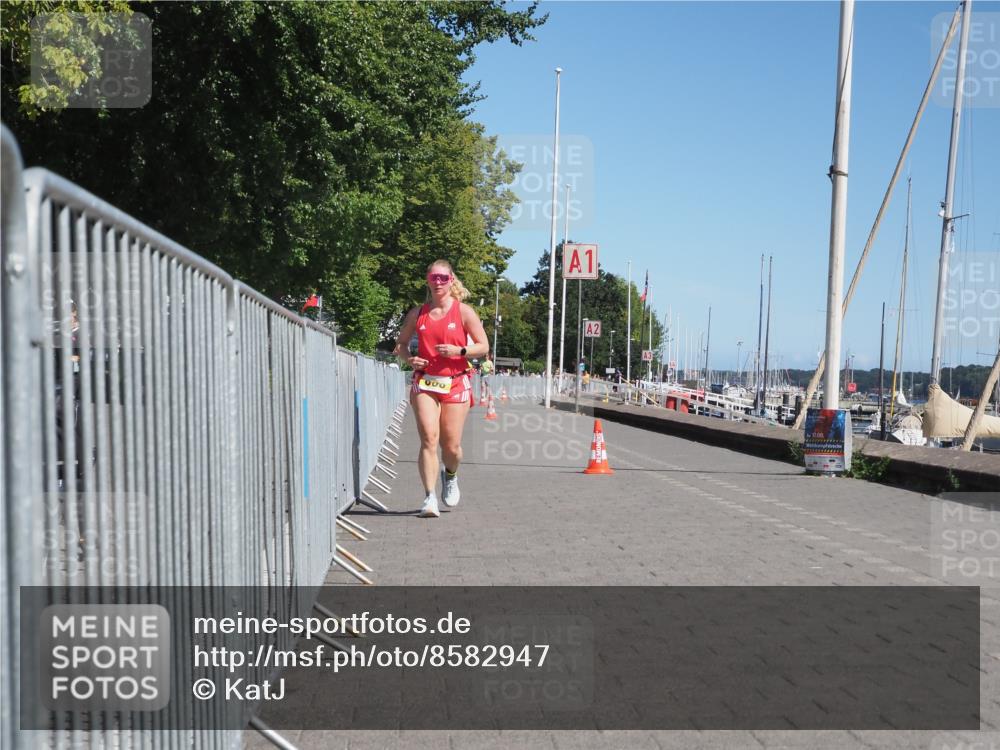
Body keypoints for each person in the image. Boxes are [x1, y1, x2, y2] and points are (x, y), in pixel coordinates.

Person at [394, 260, 489, 518]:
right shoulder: (418, 314)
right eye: (434, 277)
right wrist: (410, 359)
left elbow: (483, 346)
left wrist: (460, 351)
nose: (438, 282)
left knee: (452, 446)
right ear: (428, 279)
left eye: (443, 278)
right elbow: (401, 344)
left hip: (456, 381)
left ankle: (451, 474)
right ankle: (429, 497)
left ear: (451, 280)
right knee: (429, 438)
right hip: (425, 381)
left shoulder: (464, 312)